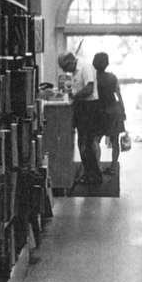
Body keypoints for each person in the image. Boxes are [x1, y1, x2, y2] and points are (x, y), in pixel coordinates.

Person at [57, 51, 103, 185]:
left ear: (70, 62)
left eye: (65, 67)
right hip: (82, 107)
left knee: (87, 143)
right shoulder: (75, 72)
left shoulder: (85, 68)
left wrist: (74, 96)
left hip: (90, 107)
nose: (65, 71)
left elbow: (89, 89)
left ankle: (94, 175)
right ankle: (88, 173)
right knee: (82, 142)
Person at [92, 52, 126, 174]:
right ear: (107, 63)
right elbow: (118, 95)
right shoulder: (113, 77)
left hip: (99, 111)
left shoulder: (93, 78)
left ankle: (98, 166)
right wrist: (123, 110)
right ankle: (113, 167)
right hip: (113, 110)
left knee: (96, 139)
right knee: (115, 140)